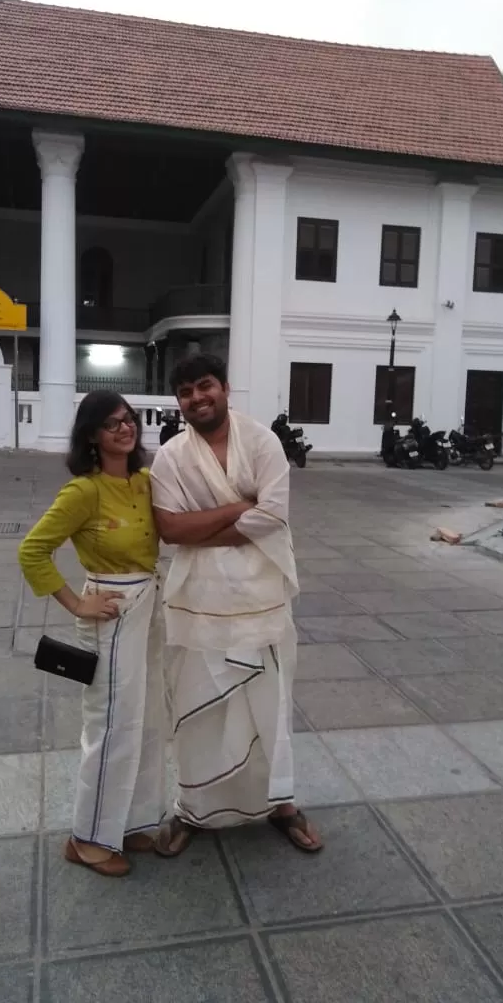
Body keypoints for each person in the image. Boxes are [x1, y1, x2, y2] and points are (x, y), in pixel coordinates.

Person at [149, 353, 322, 855]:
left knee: (268, 701)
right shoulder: (172, 457)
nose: (197, 398)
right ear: (178, 402)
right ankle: (194, 808)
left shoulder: (263, 441)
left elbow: (273, 517)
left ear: (225, 387)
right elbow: (169, 529)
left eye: (205, 386)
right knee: (196, 707)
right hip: (197, 600)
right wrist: (237, 509)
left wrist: (202, 527)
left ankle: (280, 804)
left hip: (261, 597)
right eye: (185, 392)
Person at [18, 391, 166, 877]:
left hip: (148, 605)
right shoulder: (84, 491)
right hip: (111, 613)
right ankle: (87, 838)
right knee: (111, 727)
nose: (125, 429)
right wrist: (78, 602)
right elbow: (32, 551)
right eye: (111, 424)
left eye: (128, 420)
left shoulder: (145, 481)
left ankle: (131, 820)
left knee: (145, 720)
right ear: (91, 436)